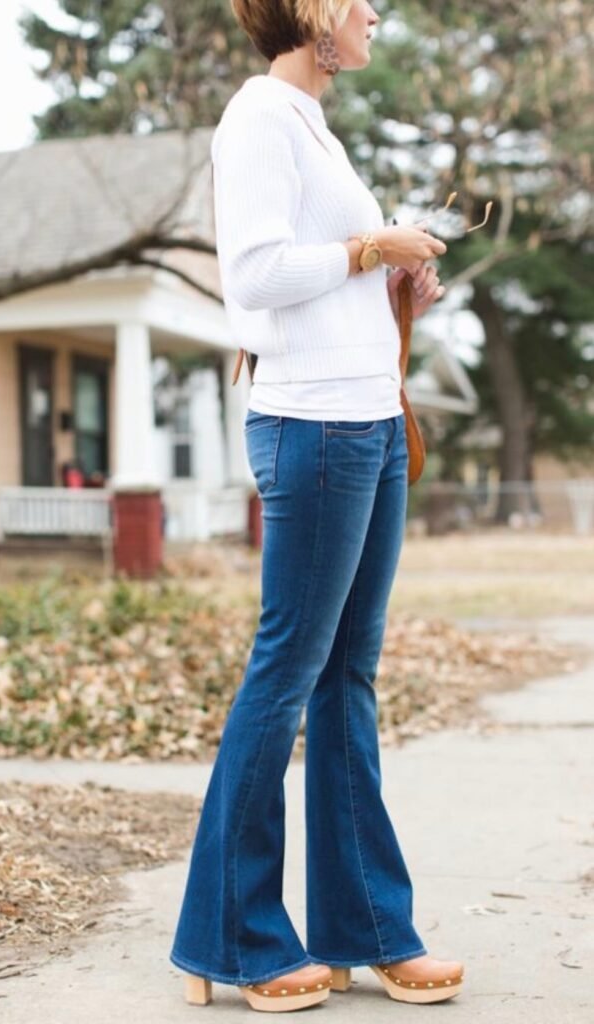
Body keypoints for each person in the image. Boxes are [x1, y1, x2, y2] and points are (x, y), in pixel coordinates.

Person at [170, 0, 464, 1012]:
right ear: (303, 11)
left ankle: (368, 929)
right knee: (289, 667)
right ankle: (235, 936)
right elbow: (250, 279)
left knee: (346, 679)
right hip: (314, 432)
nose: (373, 11)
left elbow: (321, 277)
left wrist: (393, 290)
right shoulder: (256, 116)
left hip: (368, 423)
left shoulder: (311, 127)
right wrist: (366, 252)